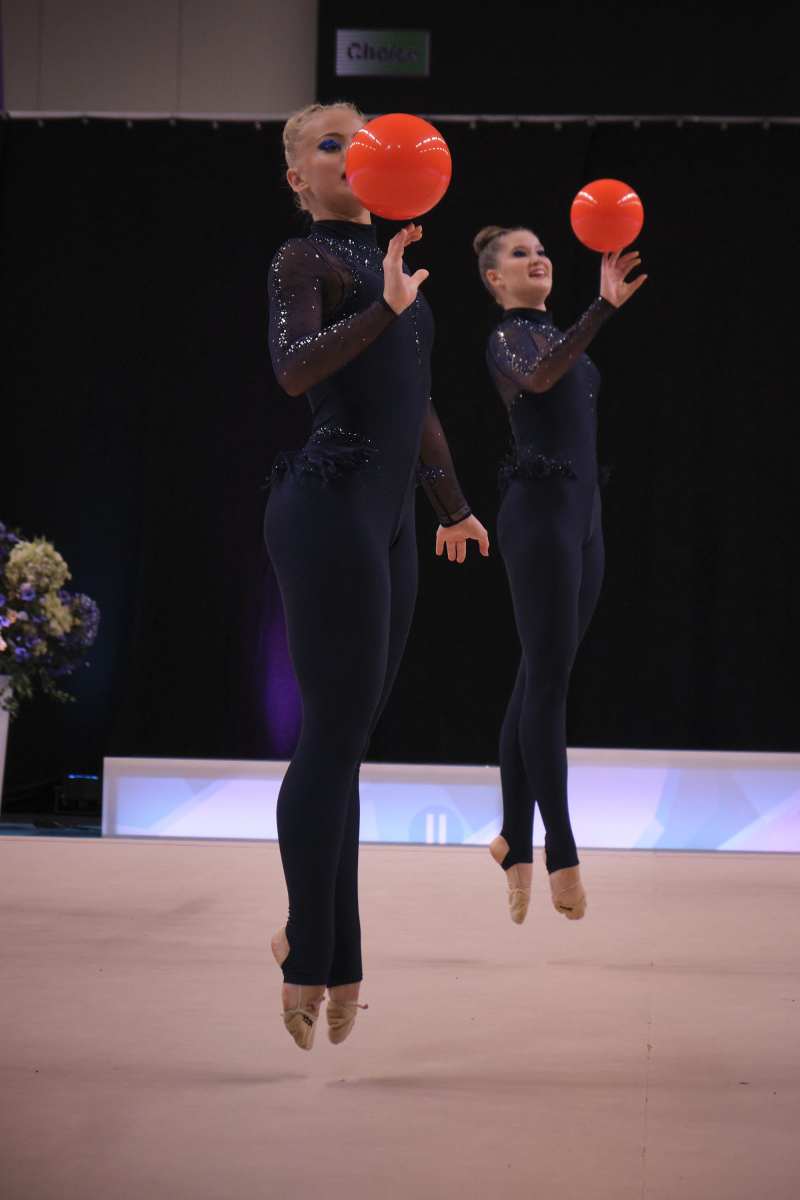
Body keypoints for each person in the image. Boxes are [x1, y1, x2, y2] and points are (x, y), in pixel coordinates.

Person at [265, 102, 489, 1050]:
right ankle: (310, 948)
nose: (352, 156)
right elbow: (293, 370)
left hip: (389, 517)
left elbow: (415, 403)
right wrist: (385, 308)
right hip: (327, 505)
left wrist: (453, 506)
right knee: (329, 735)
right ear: (300, 178)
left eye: (359, 143)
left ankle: (337, 952)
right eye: (332, 146)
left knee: (348, 739)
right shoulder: (302, 257)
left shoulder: (401, 270)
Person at [474, 223, 646, 924]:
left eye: (542, 250)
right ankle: (561, 850)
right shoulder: (507, 338)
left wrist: (593, 316)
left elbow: (566, 370)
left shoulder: (561, 338)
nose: (538, 258)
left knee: (538, 678)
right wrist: (602, 307)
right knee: (546, 683)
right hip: (539, 515)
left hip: (584, 516)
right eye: (521, 253)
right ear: (495, 279)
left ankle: (514, 836)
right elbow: (543, 375)